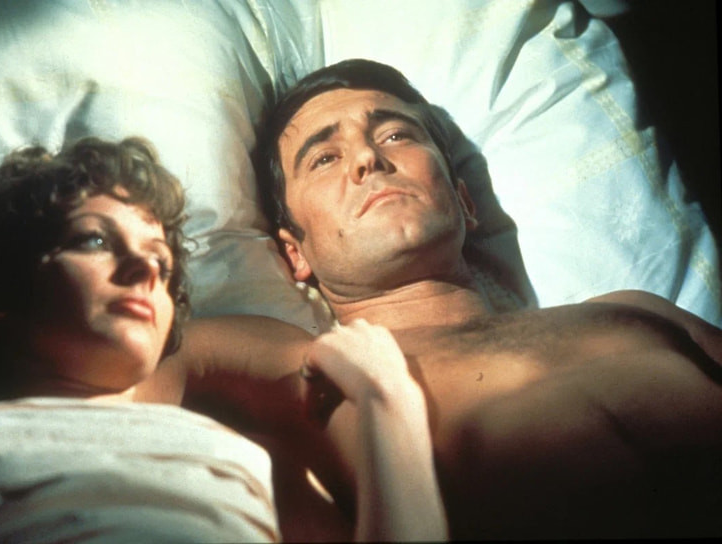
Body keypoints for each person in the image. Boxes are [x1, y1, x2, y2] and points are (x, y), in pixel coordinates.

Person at [174, 59, 722, 539]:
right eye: (324, 158)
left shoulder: (636, 311)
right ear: (296, 252)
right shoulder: (306, 370)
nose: (367, 157)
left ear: (465, 202)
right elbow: (137, 366)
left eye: (395, 135)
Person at [0, 136, 446, 542]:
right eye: (94, 240)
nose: (143, 268)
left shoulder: (240, 457)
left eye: (161, 263)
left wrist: (388, 399)